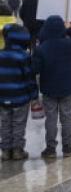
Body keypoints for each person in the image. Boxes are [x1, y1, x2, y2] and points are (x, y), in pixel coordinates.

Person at [33, 15, 71, 159]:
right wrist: (69, 30)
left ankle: (50, 148)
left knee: (51, 118)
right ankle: (67, 147)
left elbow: (35, 69)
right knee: (66, 117)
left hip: (49, 88)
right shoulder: (68, 45)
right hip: (67, 87)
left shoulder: (41, 48)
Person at [0, 24, 37, 161]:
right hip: (20, 97)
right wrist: (33, 95)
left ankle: (5, 151)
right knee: (18, 123)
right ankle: (17, 150)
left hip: (3, 97)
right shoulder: (24, 56)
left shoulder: (1, 55)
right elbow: (29, 78)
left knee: (5, 123)